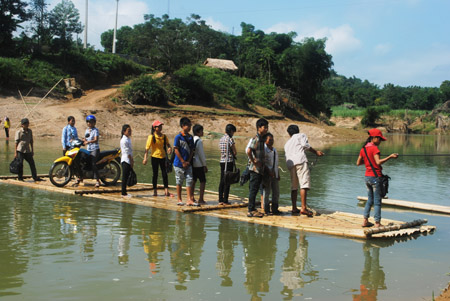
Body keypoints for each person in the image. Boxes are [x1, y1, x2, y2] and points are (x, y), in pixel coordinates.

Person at [356, 129, 398, 228]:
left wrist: (368, 162)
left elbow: (358, 163)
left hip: (367, 177)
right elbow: (378, 162)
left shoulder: (363, 149)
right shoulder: (374, 149)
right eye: (379, 139)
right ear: (374, 138)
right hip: (375, 177)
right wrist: (390, 157)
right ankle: (377, 223)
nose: (380, 142)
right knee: (377, 201)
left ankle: (365, 221)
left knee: (370, 199)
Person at [284, 124, 324, 217]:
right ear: (297, 131)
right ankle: (303, 208)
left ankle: (294, 208)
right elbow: (305, 145)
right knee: (304, 184)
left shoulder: (287, 143)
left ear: (289, 134)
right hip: (300, 161)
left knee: (294, 187)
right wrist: (316, 152)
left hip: (290, 164)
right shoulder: (300, 135)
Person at [143, 120, 172, 197]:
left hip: (163, 157)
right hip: (154, 157)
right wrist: (145, 158)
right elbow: (147, 148)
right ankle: (155, 190)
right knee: (155, 174)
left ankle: (166, 190)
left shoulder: (164, 136)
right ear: (154, 128)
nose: (160, 127)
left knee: (164, 174)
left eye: (161, 126)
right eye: (158, 126)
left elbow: (168, 145)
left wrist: (169, 148)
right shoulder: (151, 137)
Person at [246, 118, 269, 217]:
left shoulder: (261, 139)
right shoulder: (256, 139)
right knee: (253, 189)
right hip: (255, 169)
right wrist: (253, 160)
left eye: (267, 127)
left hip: (259, 169)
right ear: (259, 128)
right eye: (264, 127)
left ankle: (252, 208)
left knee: (254, 189)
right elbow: (248, 151)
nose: (266, 129)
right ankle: (251, 210)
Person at [173, 117, 196, 206]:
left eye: (190, 125)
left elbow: (192, 150)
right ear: (183, 126)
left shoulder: (190, 138)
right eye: (188, 125)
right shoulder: (178, 137)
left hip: (188, 163)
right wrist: (183, 161)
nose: (190, 127)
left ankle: (189, 199)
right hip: (179, 164)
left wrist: (188, 161)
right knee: (179, 181)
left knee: (189, 180)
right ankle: (179, 199)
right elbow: (176, 150)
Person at [262, 133, 281, 215]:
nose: (271, 141)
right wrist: (268, 171)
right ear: (265, 140)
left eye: (272, 139)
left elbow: (276, 163)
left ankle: (275, 209)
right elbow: (263, 162)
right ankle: (266, 209)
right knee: (267, 192)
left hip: (275, 174)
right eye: (269, 140)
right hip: (267, 174)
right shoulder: (264, 149)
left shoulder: (274, 150)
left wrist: (278, 174)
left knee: (276, 192)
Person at [218, 124, 237, 205]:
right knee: (227, 181)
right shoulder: (230, 139)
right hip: (229, 162)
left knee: (222, 180)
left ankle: (220, 199)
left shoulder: (221, 139)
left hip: (222, 161)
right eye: (233, 132)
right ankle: (225, 200)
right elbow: (235, 152)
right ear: (231, 131)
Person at [192, 124, 208, 205]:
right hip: (199, 164)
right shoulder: (199, 141)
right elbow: (201, 154)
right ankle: (201, 198)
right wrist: (204, 165)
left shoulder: (192, 139)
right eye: (202, 130)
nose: (203, 132)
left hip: (192, 163)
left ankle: (192, 197)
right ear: (198, 132)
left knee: (193, 180)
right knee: (203, 181)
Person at [84, 115, 101, 188]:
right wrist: (83, 141)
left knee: (93, 164)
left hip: (95, 149)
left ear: (94, 123)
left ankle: (97, 180)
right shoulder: (87, 130)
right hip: (88, 149)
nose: (89, 123)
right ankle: (81, 177)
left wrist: (89, 142)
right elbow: (85, 138)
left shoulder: (95, 130)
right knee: (84, 162)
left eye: (91, 122)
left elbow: (96, 139)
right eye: (88, 122)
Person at [120, 124, 133, 198]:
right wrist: (131, 160)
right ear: (124, 131)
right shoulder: (124, 140)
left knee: (127, 176)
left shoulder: (128, 139)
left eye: (130, 130)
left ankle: (125, 192)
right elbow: (127, 152)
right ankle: (123, 193)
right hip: (126, 160)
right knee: (124, 177)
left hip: (129, 159)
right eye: (128, 130)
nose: (130, 132)